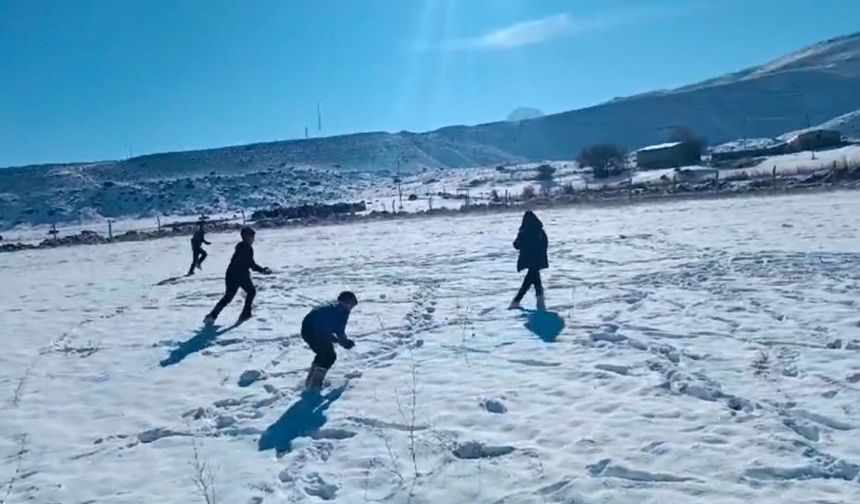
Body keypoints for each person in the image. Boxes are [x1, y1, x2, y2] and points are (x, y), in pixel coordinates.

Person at [204, 227, 271, 324]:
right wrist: (263, 270)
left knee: (228, 297)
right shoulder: (247, 248)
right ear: (246, 237)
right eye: (252, 236)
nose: (253, 239)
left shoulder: (240, 246)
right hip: (240, 274)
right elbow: (251, 264)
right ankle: (245, 314)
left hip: (230, 273)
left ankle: (213, 315)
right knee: (251, 291)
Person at [301, 291, 358, 391]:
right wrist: (346, 343)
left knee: (322, 354)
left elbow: (324, 322)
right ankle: (315, 386)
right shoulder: (342, 310)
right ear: (349, 303)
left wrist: (331, 337)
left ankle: (309, 382)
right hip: (315, 331)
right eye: (352, 306)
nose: (351, 309)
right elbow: (339, 331)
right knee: (329, 356)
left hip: (306, 329)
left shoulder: (332, 305)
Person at [509, 210, 548, 310]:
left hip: (529, 259)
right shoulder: (540, 231)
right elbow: (545, 244)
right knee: (534, 278)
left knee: (528, 280)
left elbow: (516, 245)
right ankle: (540, 298)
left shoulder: (524, 232)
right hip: (538, 259)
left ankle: (517, 300)